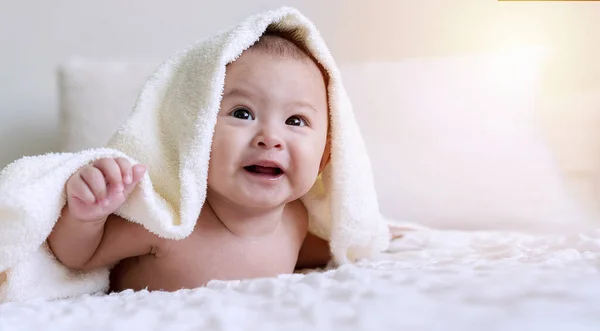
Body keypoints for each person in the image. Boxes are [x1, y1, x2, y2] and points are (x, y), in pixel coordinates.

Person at [47, 29, 335, 292]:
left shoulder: (296, 220)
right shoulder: (169, 221)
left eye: (296, 120)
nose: (270, 137)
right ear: (195, 132)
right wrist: (87, 216)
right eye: (242, 113)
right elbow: (79, 257)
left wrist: (367, 237)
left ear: (323, 157)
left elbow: (329, 248)